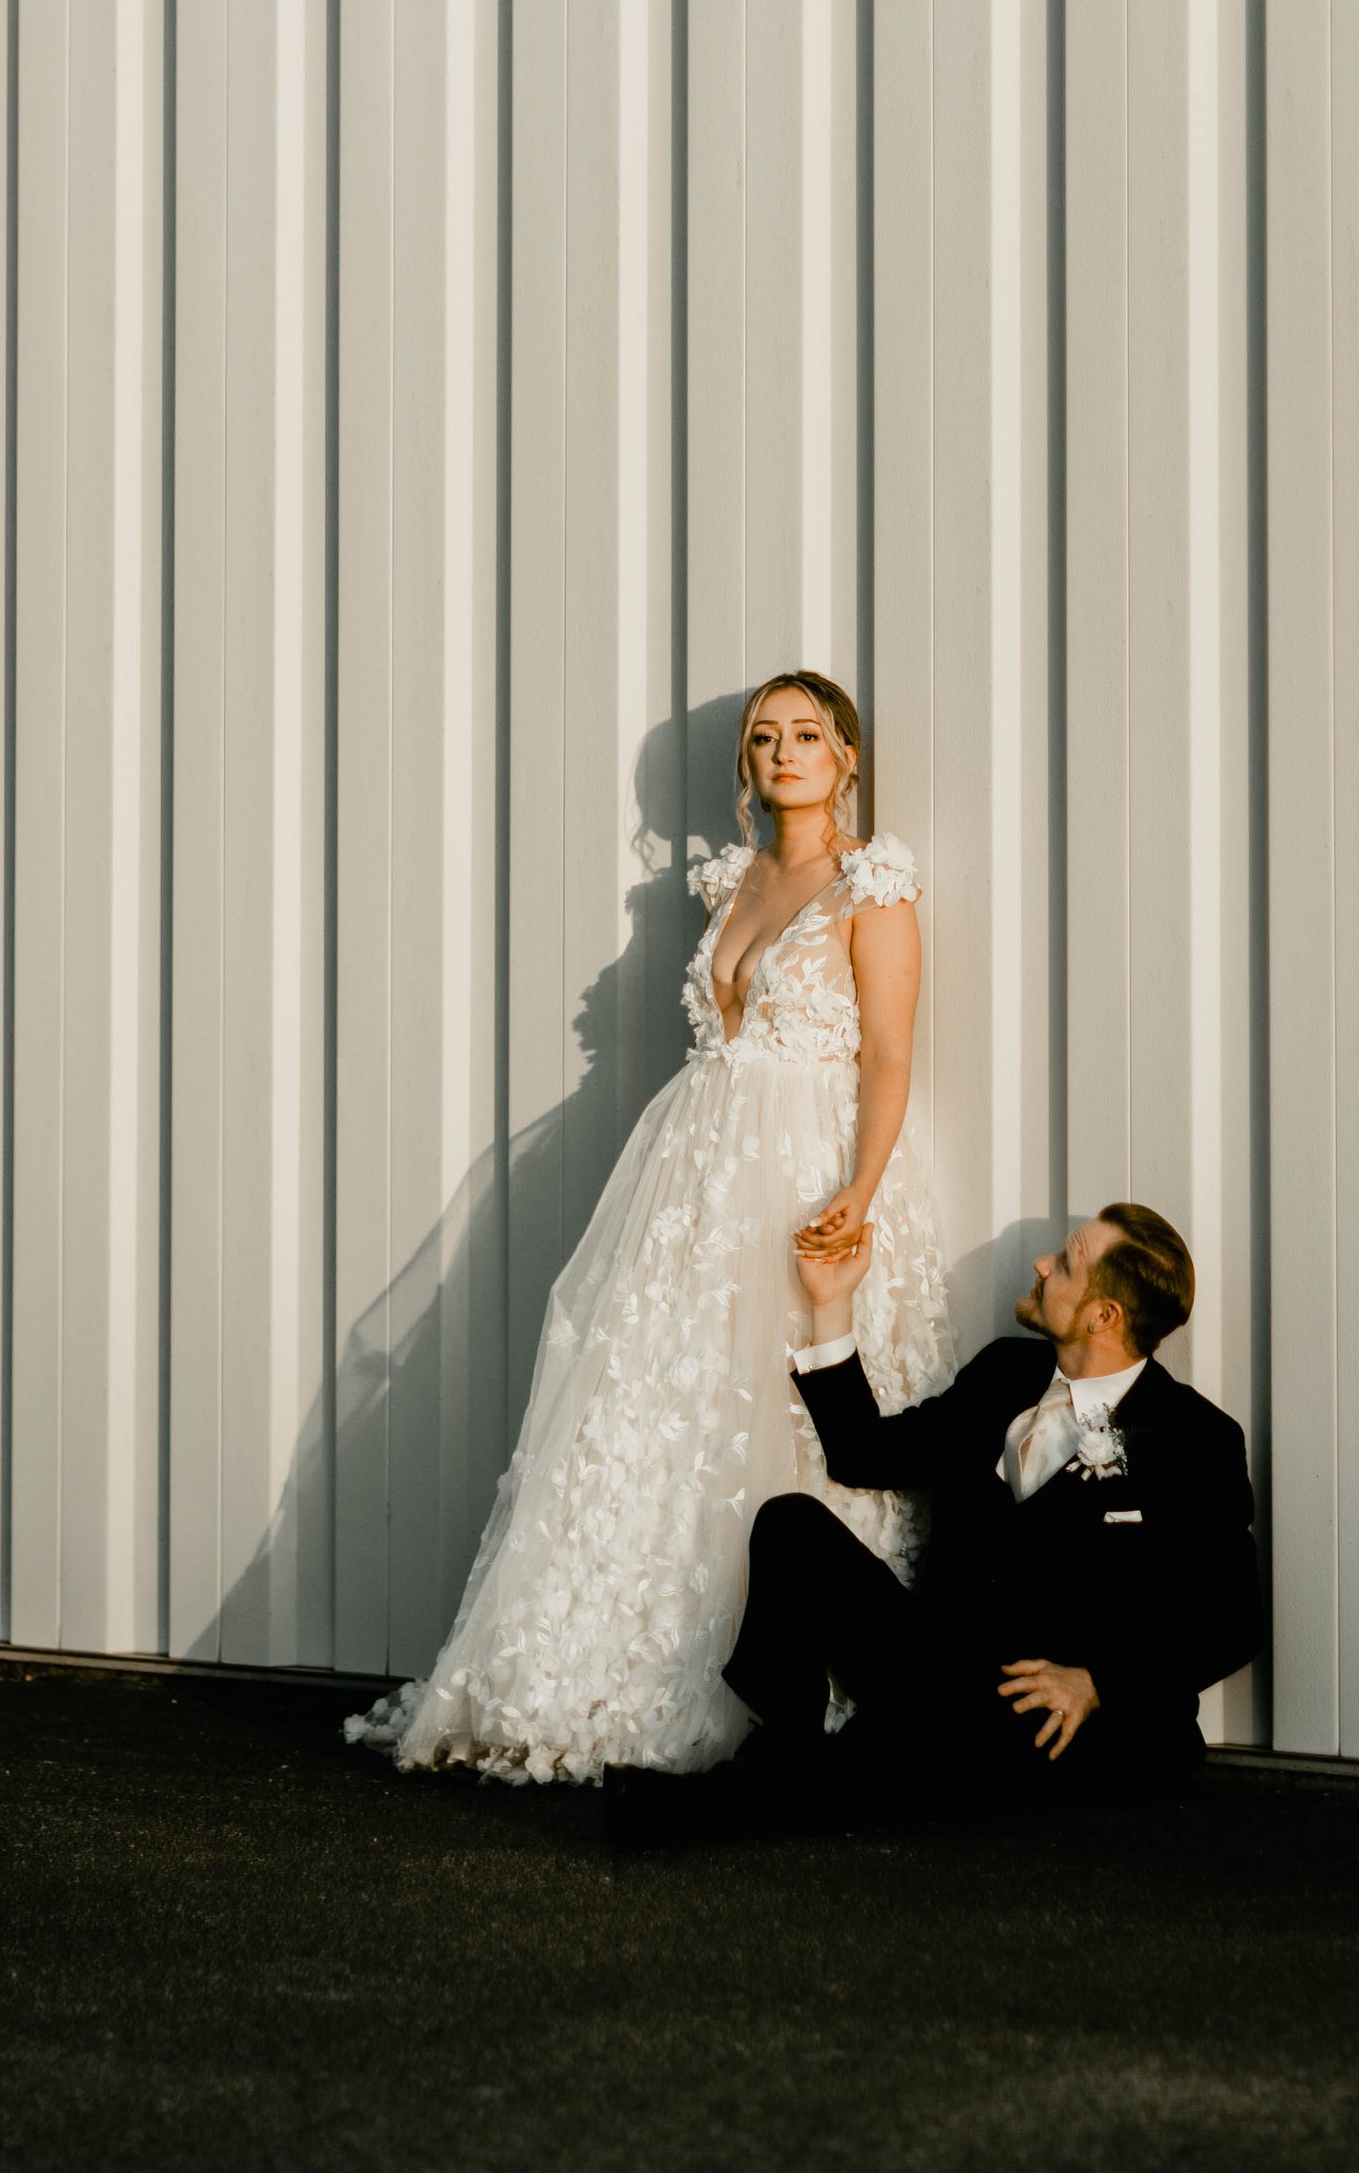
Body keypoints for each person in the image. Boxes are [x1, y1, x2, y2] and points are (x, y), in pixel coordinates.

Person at [347, 672, 955, 1783]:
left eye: (807, 735)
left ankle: (790, 1667)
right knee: (659, 1399)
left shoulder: (873, 882)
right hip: (696, 1167)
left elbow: (887, 1054)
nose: (784, 753)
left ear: (847, 756)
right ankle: (596, 1663)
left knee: (784, 1402)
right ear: (745, 764)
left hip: (804, 1159)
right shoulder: (733, 879)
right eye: (763, 737)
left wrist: (856, 1193)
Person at [705, 1201, 1260, 1819]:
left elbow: (1234, 1618)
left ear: (1104, 1315)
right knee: (791, 1526)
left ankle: (754, 1789)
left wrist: (1099, 1683)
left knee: (906, 1765)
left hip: (1050, 1721)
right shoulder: (1004, 1372)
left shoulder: (1197, 1439)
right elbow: (864, 1455)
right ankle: (792, 1749)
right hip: (940, 1673)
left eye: (1067, 1264)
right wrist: (831, 1301)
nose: (1042, 1265)